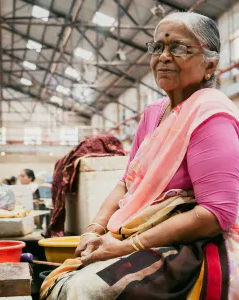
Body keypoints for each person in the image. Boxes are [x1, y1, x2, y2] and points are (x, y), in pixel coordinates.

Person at [40, 12, 239, 299]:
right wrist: (93, 230)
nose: (164, 56)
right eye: (157, 47)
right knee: (66, 276)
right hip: (142, 236)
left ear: (210, 63)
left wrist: (126, 247)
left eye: (179, 48)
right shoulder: (153, 114)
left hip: (195, 245)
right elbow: (127, 182)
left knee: (86, 290)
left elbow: (214, 214)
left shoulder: (211, 116)